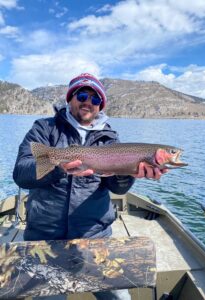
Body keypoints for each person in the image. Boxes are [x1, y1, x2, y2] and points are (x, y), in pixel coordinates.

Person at [13, 73, 167, 300]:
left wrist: (129, 173)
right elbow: (20, 173)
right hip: (44, 239)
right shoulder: (45, 128)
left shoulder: (110, 139)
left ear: (100, 105)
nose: (88, 102)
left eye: (95, 100)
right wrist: (58, 167)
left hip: (94, 238)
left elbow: (118, 188)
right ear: (70, 98)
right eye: (82, 95)